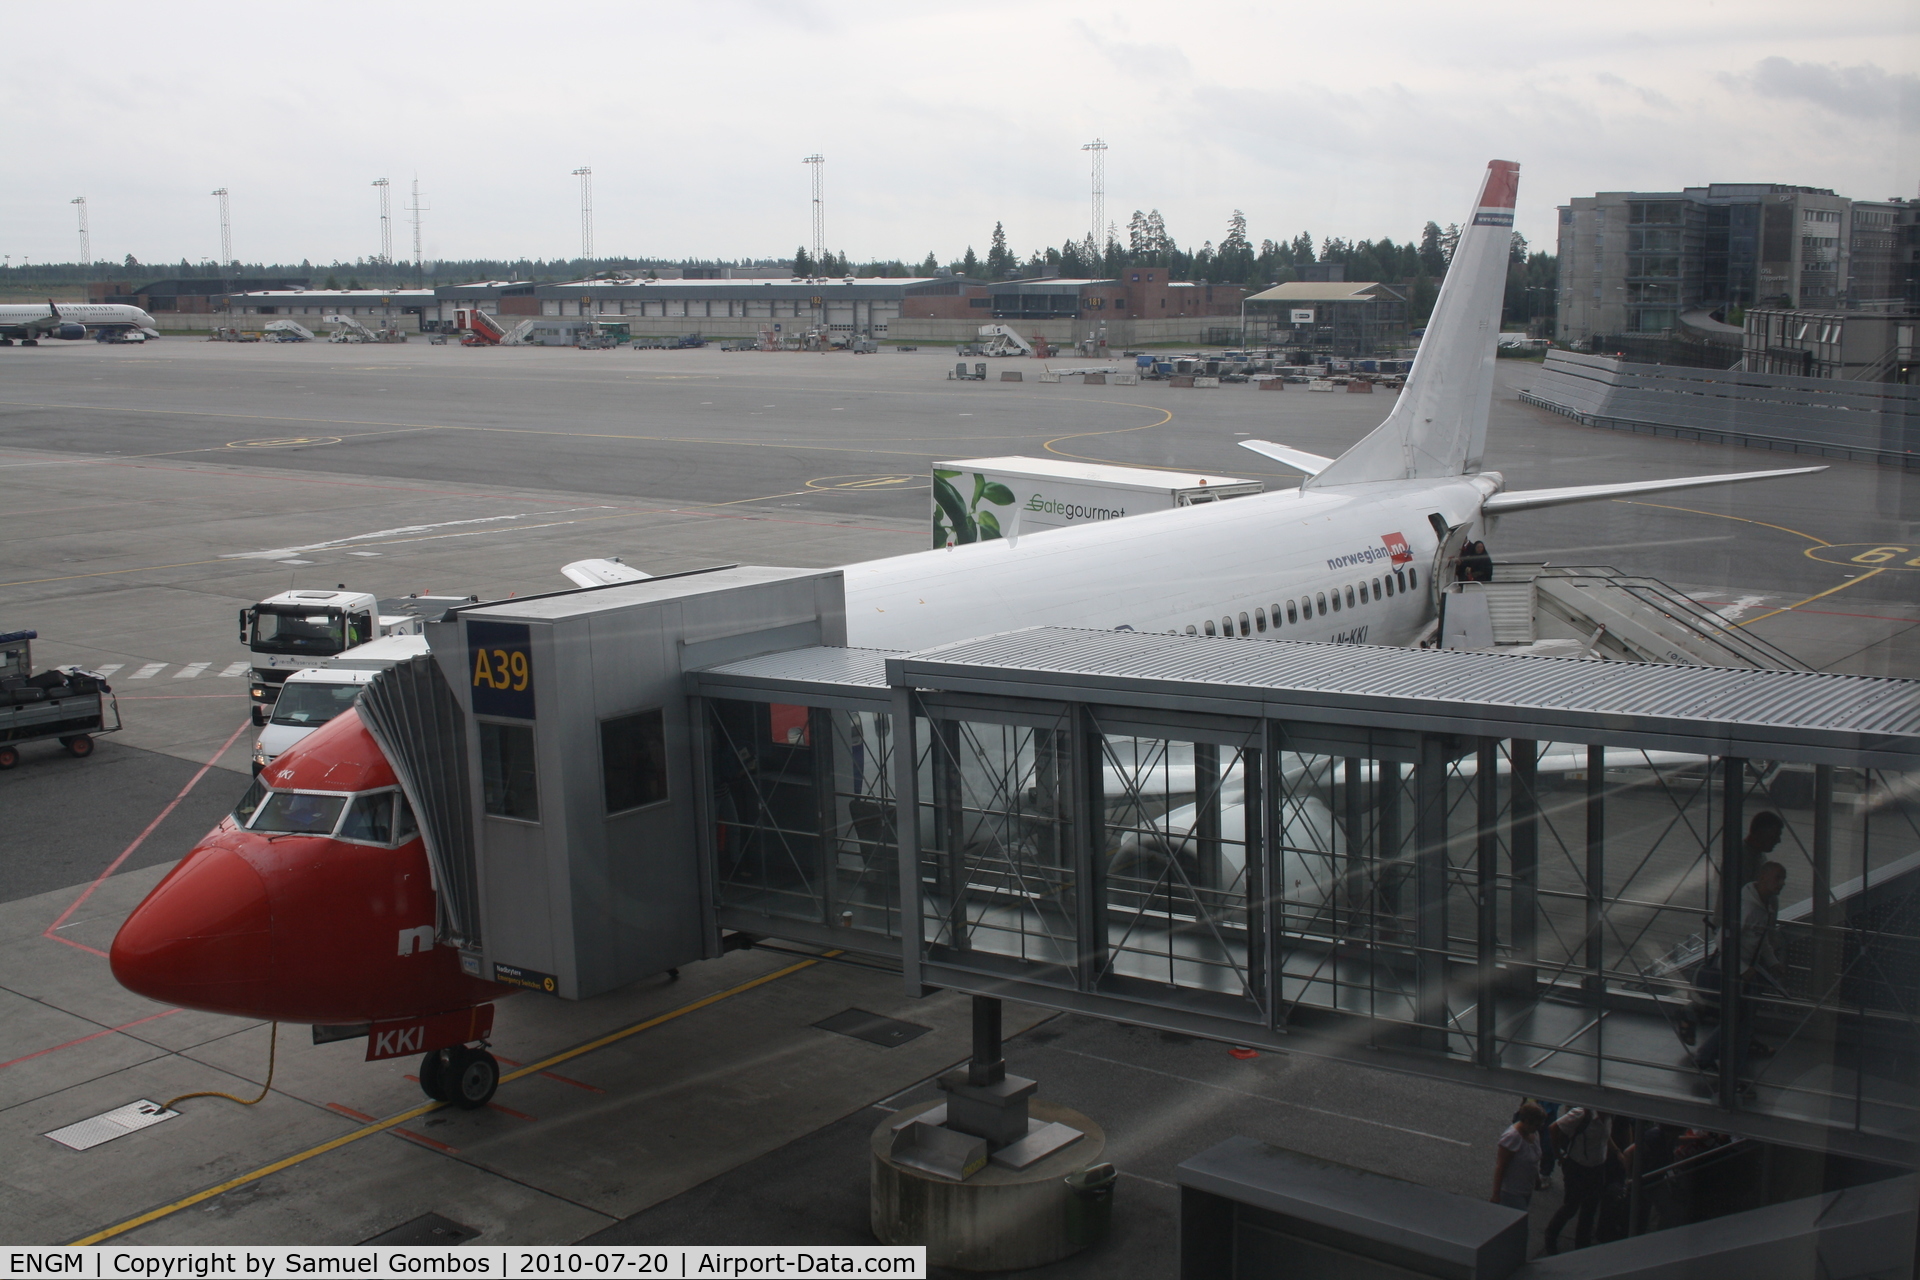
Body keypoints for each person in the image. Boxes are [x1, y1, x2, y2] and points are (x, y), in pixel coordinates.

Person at [1695, 861, 1787, 1095]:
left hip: (1744, 970)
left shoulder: (1765, 905)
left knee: (1739, 1017)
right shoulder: (1747, 906)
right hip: (1735, 971)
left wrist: (1773, 962)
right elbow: (1722, 940)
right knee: (1741, 1019)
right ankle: (1729, 1065)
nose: (1782, 884)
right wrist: (1743, 967)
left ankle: (1714, 1056)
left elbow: (1760, 939)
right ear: (1763, 877)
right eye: (1778, 878)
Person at [1544, 1106, 1612, 1253]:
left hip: (1598, 1168)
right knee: (1571, 1206)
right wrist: (1559, 1156)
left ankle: (1582, 1245)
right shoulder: (1582, 1114)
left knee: (1590, 1208)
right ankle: (1550, 1236)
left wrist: (1617, 1151)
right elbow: (1553, 1128)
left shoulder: (1608, 1118)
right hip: (1578, 1168)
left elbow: (1605, 1137)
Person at [1491, 1102, 1547, 1212]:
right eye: (1536, 1125)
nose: (1539, 1128)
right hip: (1511, 1192)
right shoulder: (1512, 1137)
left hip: (1526, 1189)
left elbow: (1533, 1162)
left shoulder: (1533, 1134)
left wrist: (1537, 1179)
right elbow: (1500, 1167)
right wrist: (1496, 1194)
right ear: (1526, 1121)